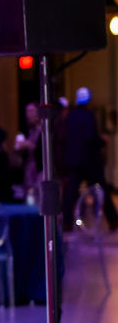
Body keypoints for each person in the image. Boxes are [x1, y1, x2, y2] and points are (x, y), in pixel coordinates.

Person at [63, 87, 118, 230]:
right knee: (101, 190)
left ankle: (67, 221)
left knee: (71, 192)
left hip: (75, 161)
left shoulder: (71, 116)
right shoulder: (89, 116)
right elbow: (90, 138)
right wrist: (102, 141)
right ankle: (113, 220)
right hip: (90, 161)